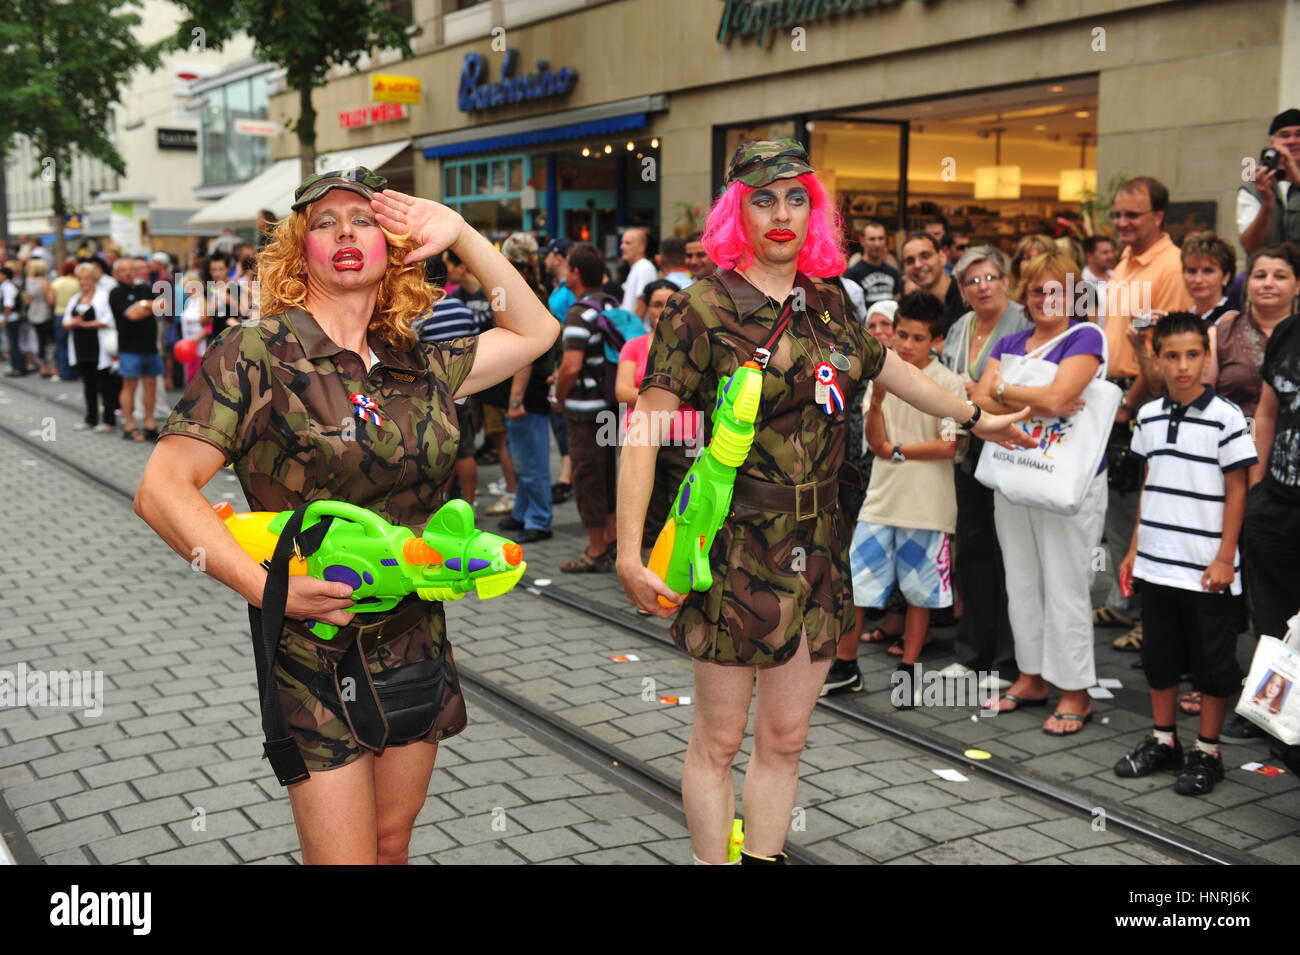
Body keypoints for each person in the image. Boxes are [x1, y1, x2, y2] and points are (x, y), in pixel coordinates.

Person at [615, 139, 1033, 864]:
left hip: (817, 542)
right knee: (717, 740)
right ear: (735, 212)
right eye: (763, 199)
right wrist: (626, 551)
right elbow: (645, 430)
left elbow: (897, 372)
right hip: (733, 546)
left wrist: (973, 416)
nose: (781, 213)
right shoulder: (701, 307)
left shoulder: (831, 301)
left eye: (796, 197)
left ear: (816, 210)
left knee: (786, 738)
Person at [134, 166, 558, 865]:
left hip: (415, 637)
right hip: (313, 647)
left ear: (394, 247)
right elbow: (162, 487)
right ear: (301, 248)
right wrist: (266, 586)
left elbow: (536, 328)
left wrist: (461, 232)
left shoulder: (418, 361)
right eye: (325, 223)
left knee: (392, 846)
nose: (345, 234)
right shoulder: (258, 354)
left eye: (364, 220)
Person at [1113, 312, 1256, 796]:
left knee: (1213, 663)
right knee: (1160, 657)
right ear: (1156, 358)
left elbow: (1238, 490)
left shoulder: (1228, 417)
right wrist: (1134, 549)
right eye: (1171, 356)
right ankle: (1164, 740)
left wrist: (1224, 556)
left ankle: (1207, 750)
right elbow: (1150, 484)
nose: (1182, 366)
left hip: (1207, 567)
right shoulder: (1149, 415)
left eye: (1193, 354)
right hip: (1157, 560)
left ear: (1207, 356)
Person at [975, 250, 1108, 736]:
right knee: (1022, 580)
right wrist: (1027, 397)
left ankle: (1075, 690)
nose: (1047, 298)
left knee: (1066, 584)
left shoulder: (1086, 336)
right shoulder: (1011, 339)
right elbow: (978, 399)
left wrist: (1006, 392)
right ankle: (1031, 676)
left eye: (1057, 289)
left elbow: (1042, 397)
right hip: (1014, 474)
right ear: (1024, 296)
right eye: (1037, 290)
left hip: (1068, 480)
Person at [833, 291, 965, 700]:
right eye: (901, 335)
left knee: (920, 594)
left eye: (918, 338)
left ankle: (909, 674)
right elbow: (875, 443)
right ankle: (846, 665)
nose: (906, 345)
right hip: (882, 499)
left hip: (928, 505)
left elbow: (949, 447)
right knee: (857, 585)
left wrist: (898, 450)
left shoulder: (950, 383)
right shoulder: (884, 375)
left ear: (937, 341)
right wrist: (879, 408)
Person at [1096, 177, 1194, 654]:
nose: (1121, 222)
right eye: (1117, 214)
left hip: (1141, 397)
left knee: (1140, 509)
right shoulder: (1126, 260)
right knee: (1118, 506)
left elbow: (1165, 349)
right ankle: (1122, 598)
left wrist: (1129, 402)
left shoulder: (1170, 267)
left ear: (1158, 216)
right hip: (1114, 393)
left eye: (1132, 215)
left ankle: (1146, 617)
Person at [937, 247, 1031, 687]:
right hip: (968, 447)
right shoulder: (960, 326)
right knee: (972, 549)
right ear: (961, 290)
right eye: (972, 281)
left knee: (1008, 553)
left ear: (1006, 280)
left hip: (1011, 448)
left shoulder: (1023, 322)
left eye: (991, 277)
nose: (983, 287)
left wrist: (983, 394)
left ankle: (1009, 661)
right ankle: (973, 653)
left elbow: (1028, 387)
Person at [1234, 300, 1300, 742]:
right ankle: (1269, 707)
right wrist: (1257, 485)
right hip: (1276, 499)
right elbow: (1268, 410)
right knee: (1272, 615)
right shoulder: (1289, 332)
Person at [615, 279, 699, 553]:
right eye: (656, 304)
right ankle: (649, 576)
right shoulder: (634, 345)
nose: (663, 310)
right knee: (647, 518)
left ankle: (680, 582)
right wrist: (673, 392)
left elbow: (700, 393)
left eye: (670, 304)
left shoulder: (694, 345)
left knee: (683, 515)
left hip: (686, 442)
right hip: (642, 439)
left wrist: (651, 393)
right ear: (647, 308)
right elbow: (621, 390)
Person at [556, 242, 620, 572]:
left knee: (587, 478)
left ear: (576, 272)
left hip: (586, 411)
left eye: (568, 268)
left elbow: (571, 367)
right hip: (611, 405)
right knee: (607, 474)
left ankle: (596, 551)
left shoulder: (579, 312)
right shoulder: (610, 302)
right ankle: (610, 540)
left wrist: (559, 395)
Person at [446, 248, 516, 515]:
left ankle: (512, 492)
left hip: (496, 381)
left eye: (449, 264)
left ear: (461, 266)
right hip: (470, 384)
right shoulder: (457, 297)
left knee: (499, 437)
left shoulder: (488, 295)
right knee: (468, 440)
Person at [497, 231, 556, 543]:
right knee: (521, 456)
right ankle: (523, 512)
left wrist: (516, 400)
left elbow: (525, 354)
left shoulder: (523, 295)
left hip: (527, 393)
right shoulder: (533, 289)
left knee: (530, 460)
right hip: (523, 390)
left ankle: (538, 518)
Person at [415, 253, 481, 510]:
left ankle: (440, 503)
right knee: (465, 448)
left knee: (440, 450)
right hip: (465, 387)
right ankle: (470, 504)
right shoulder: (462, 309)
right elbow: (477, 347)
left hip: (433, 392)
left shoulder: (419, 314)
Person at [1207, 244, 1298, 418]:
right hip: (1232, 436)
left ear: (1298, 285)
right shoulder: (1219, 335)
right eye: (1260, 276)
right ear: (1248, 283)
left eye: (1280, 277)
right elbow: (1202, 398)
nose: (1268, 284)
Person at [112, 256, 164, 442]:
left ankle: (149, 424)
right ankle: (129, 424)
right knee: (130, 386)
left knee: (151, 386)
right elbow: (132, 315)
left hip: (150, 347)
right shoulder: (116, 293)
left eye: (131, 269)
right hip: (129, 348)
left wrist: (143, 304)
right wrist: (147, 305)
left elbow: (163, 306)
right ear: (116, 274)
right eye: (123, 270)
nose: (128, 273)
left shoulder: (145, 288)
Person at [63, 263, 118, 431]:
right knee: (88, 384)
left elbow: (108, 320)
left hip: (98, 346)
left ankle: (108, 420)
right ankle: (91, 418)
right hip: (80, 347)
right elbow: (65, 322)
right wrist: (73, 323)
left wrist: (84, 324)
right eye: (80, 279)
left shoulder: (103, 296)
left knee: (105, 384)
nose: (83, 282)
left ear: (94, 280)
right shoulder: (75, 298)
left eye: (87, 279)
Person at [1238, 108, 1300, 255]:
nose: (1292, 141)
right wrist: (1267, 203)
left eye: (1299, 134)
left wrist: (1297, 180)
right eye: (1284, 135)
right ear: (1272, 143)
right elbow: (1250, 247)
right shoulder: (1254, 188)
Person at [899, 232, 965, 339]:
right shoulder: (910, 307)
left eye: (925, 256)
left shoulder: (966, 297)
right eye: (910, 261)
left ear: (942, 257)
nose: (918, 265)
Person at [1182, 233, 1238, 328]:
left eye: (1208, 271)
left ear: (1226, 276)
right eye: (1191, 271)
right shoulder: (1187, 316)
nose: (1198, 280)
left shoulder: (1231, 321)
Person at [842, 220, 901, 307]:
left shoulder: (893, 272)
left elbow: (896, 298)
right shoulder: (852, 274)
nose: (877, 244)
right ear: (862, 241)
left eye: (881, 238)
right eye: (872, 239)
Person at [21, 259, 56, 378]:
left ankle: (42, 366)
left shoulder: (28, 281)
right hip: (44, 312)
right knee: (50, 341)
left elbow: (27, 300)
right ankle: (52, 366)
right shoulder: (44, 282)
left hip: (33, 313)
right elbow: (51, 300)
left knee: (40, 340)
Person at [50, 259, 81, 381]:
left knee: (61, 345)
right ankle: (75, 370)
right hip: (73, 315)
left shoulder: (56, 282)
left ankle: (64, 371)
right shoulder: (77, 283)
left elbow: (51, 300)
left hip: (59, 314)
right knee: (72, 344)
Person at [619, 226, 658, 319]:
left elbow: (642, 303)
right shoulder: (637, 267)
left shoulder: (644, 267)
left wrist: (633, 330)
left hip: (638, 331)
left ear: (641, 247)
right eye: (622, 242)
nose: (621, 247)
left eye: (628, 243)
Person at [1080, 235, 1117, 319]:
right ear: (1089, 256)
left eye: (1112, 251)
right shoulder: (1081, 284)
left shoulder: (1118, 276)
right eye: (1105, 252)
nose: (1111, 256)